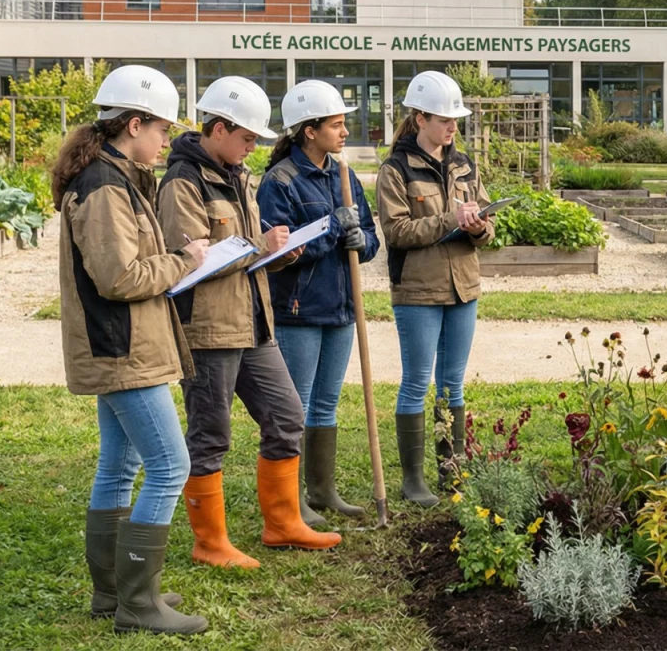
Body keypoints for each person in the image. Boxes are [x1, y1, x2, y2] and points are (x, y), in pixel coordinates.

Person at [159, 76, 342, 568]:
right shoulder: (182, 182)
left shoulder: (237, 175)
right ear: (219, 128)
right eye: (246, 138)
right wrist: (261, 248)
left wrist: (279, 253)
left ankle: (282, 525)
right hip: (209, 330)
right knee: (210, 434)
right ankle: (209, 543)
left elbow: (245, 247)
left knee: (287, 416)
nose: (251, 148)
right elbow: (191, 258)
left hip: (254, 323)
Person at [53, 64, 210, 635]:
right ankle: (138, 606)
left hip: (120, 346)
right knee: (172, 465)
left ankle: (113, 593)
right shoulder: (103, 186)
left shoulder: (115, 177)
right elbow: (118, 277)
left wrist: (173, 258)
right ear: (133, 123)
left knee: (121, 466)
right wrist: (185, 262)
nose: (167, 141)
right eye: (162, 130)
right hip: (121, 349)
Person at [257, 80, 380, 526]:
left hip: (343, 308)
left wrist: (359, 238)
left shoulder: (344, 176)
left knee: (327, 403)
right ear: (308, 130)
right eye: (337, 124)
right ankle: (291, 500)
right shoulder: (280, 182)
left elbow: (370, 241)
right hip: (299, 311)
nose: (345, 132)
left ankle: (323, 489)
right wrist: (332, 232)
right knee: (299, 406)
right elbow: (279, 252)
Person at [376, 70, 492, 507]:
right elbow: (398, 231)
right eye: (445, 119)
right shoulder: (395, 169)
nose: (452, 127)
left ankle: (451, 469)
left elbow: (487, 226)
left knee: (453, 385)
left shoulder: (464, 164)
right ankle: (412, 479)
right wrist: (450, 219)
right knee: (416, 383)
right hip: (418, 291)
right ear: (420, 118)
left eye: (455, 119)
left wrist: (480, 227)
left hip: (464, 287)